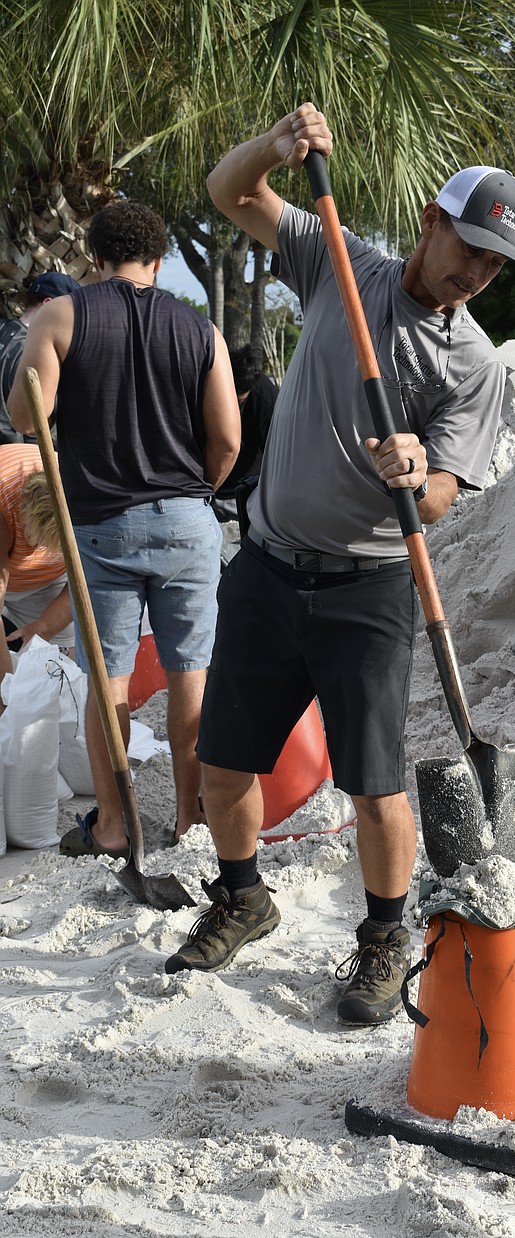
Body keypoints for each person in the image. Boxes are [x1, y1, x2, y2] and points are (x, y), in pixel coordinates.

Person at [165, 102, 515, 1027]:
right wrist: (277, 149)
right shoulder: (340, 262)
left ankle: (382, 938)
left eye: (494, 264)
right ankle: (243, 897)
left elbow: (446, 491)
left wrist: (420, 472)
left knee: (375, 785)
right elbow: (229, 192)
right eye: (470, 247)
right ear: (430, 222)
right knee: (223, 763)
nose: (475, 273)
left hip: (370, 587)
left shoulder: (476, 364)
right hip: (267, 566)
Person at [8, 201, 241, 856]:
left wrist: (35, 352)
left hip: (103, 526)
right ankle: (193, 823)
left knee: (107, 681)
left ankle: (115, 825)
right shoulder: (201, 329)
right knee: (189, 674)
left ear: (94, 257)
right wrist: (192, 500)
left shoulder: (64, 314)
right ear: (161, 260)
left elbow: (27, 416)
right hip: (189, 522)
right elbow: (227, 439)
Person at [0, 444, 75, 681]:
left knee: (64, 662)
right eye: (44, 542)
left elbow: (87, 580)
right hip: (8, 551)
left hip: (46, 580)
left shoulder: (85, 498)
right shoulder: (4, 500)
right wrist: (6, 696)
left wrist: (44, 626)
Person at [0, 272, 82, 444]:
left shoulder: (4, 329)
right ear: (48, 305)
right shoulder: (36, 353)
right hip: (13, 461)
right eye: (73, 313)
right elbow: (34, 429)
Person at [211, 344, 277, 526]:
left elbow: (276, 455)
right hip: (206, 490)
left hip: (246, 493)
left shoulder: (265, 397)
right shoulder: (207, 382)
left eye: (239, 401)